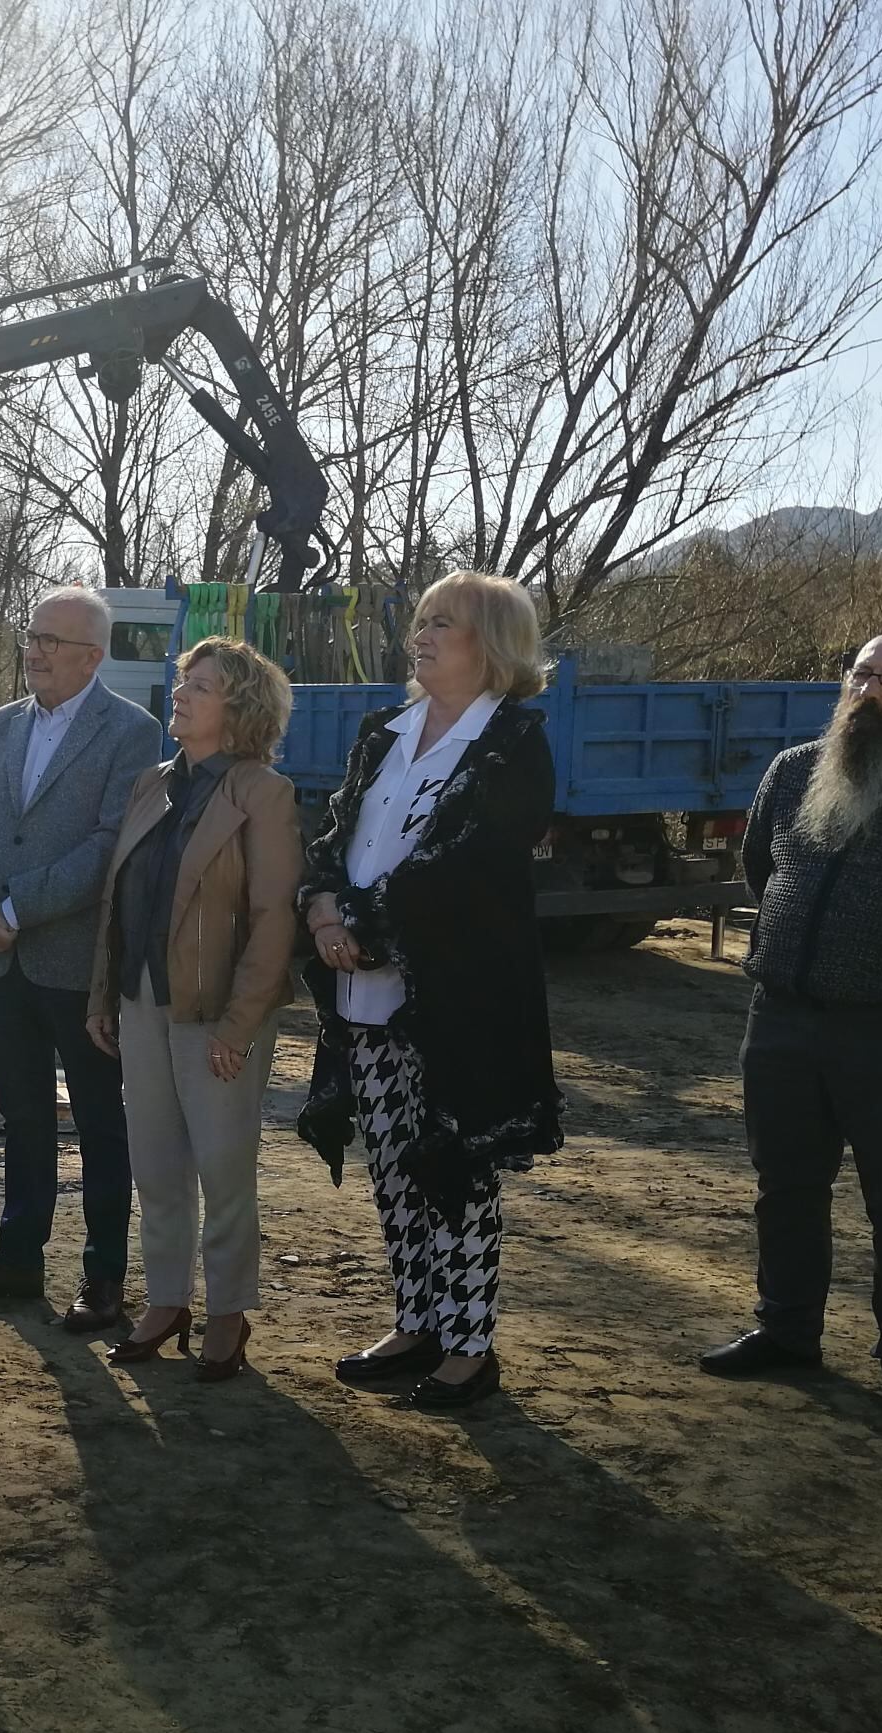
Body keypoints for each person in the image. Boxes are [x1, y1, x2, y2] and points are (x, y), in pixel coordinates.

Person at [698, 632, 882, 1424]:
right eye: (860, 673)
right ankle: (787, 1328)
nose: (868, 690)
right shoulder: (795, 771)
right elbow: (764, 867)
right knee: (785, 1185)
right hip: (785, 1016)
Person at [304, 571, 564, 1411]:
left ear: (489, 642)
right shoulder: (384, 732)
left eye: (441, 623)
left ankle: (468, 1347)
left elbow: (473, 864)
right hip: (365, 999)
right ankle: (416, 1322)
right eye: (420, 621)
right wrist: (322, 916)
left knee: (456, 1172)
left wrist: (365, 925)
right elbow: (337, 836)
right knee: (394, 1170)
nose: (420, 634)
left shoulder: (512, 742)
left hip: (458, 1006)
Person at [0, 585, 162, 1325]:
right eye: (30, 638)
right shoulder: (0, 727)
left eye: (50, 642)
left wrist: (13, 908)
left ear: (93, 656)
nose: (33, 652)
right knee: (22, 1117)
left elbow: (109, 847)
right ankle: (18, 1260)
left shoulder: (130, 732)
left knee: (101, 1122)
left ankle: (103, 1279)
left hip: (74, 966)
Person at [82, 639, 300, 1380]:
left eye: (200, 687)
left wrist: (240, 1027)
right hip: (142, 1004)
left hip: (217, 1014)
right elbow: (119, 900)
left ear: (238, 709)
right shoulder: (151, 782)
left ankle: (229, 1313)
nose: (180, 694)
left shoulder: (263, 793)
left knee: (223, 1168)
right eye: (183, 682)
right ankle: (167, 1301)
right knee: (155, 1165)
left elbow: (274, 919)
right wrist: (104, 996)